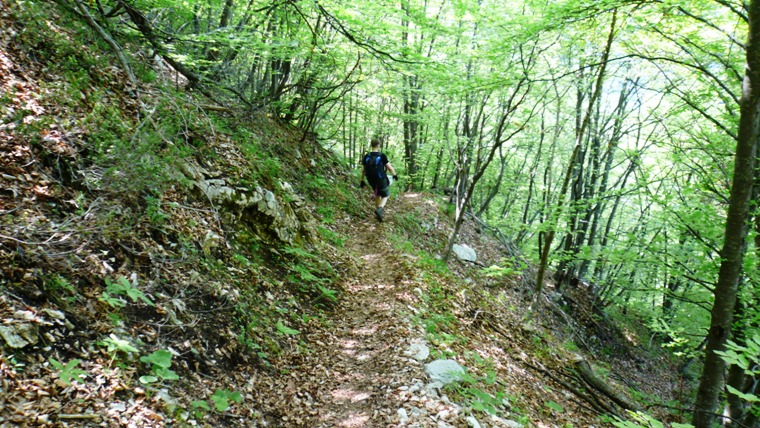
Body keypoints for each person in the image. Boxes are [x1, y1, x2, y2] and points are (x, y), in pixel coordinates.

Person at [359, 138, 398, 222]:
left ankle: (378, 214)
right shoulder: (381, 155)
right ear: (378, 145)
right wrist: (394, 175)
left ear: (371, 145)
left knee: (377, 194)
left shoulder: (366, 156)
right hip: (381, 178)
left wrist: (362, 180)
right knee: (386, 195)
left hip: (370, 179)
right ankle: (380, 209)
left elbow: (363, 170)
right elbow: (389, 168)